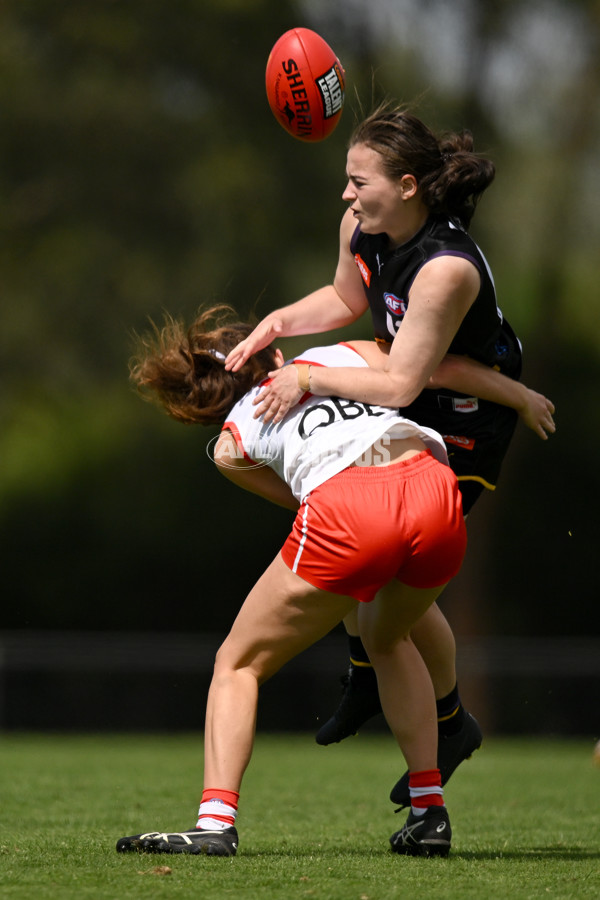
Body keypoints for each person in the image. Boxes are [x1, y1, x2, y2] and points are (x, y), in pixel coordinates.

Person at [224, 102, 556, 806]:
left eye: (359, 181)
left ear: (408, 185)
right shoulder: (363, 226)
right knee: (370, 560)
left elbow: (412, 378)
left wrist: (309, 373)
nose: (345, 195)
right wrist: (279, 323)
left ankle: (420, 704)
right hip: (409, 386)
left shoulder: (446, 269)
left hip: (466, 420)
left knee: (390, 577)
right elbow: (346, 299)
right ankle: (427, 710)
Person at [116, 305, 473, 858]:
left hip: (351, 509)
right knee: (387, 637)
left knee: (237, 662)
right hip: (434, 486)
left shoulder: (231, 445)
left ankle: (215, 823)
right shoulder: (337, 355)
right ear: (275, 355)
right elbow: (434, 367)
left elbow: (311, 501)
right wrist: (516, 396)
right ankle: (430, 813)